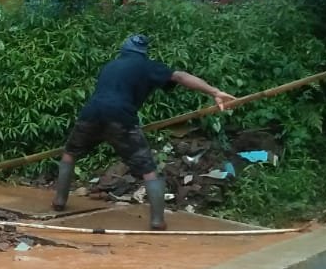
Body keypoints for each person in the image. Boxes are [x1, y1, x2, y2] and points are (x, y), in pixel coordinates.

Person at [52, 34, 234, 231]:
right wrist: (215, 92)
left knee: (70, 154)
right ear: (143, 52)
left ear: (123, 49)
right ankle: (157, 221)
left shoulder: (110, 66)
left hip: (92, 112)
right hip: (121, 116)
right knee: (147, 169)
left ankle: (59, 201)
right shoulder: (147, 66)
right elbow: (180, 76)